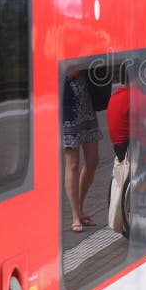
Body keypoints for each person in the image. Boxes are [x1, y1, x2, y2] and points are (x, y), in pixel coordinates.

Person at [62, 70, 103, 232]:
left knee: (93, 161)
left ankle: (79, 207)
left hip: (87, 104)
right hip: (69, 105)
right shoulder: (61, 46)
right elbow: (67, 73)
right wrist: (84, 61)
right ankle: (74, 215)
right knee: (73, 164)